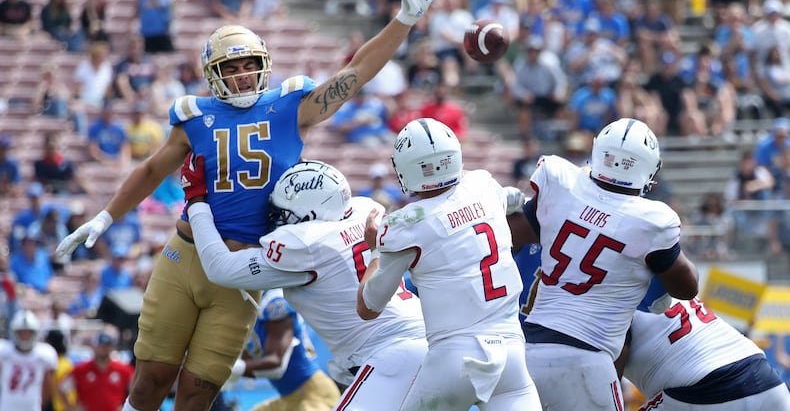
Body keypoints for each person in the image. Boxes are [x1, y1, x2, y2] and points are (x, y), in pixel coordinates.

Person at [56, 0, 448, 409]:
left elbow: (354, 74)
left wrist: (404, 20)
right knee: (152, 379)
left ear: (263, 66)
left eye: (248, 65)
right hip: (185, 255)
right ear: (213, 73)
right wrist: (106, 215)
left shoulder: (290, 105)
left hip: (246, 268)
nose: (242, 76)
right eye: (231, 67)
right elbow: (151, 169)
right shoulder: (194, 116)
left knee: (198, 392)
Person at [181, 158, 428, 409]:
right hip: (424, 337)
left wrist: (196, 202)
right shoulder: (364, 210)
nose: (278, 220)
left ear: (309, 214)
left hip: (392, 354)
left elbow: (219, 268)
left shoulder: (306, 244)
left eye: (283, 214)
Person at [507, 117, 700, 410]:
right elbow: (688, 287)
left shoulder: (563, 184)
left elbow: (514, 235)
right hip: (585, 357)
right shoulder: (651, 221)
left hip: (528, 352)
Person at [357, 118, 541, 409]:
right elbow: (513, 199)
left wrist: (375, 249)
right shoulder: (483, 184)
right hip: (512, 355)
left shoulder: (404, 223)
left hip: (455, 356)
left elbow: (368, 307)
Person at [615, 299, 790, 409]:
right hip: (767, 382)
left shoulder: (610, 302)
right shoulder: (663, 271)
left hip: (701, 392)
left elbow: (609, 381)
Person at [238, 289, 340, 410]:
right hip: (289, 398)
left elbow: (276, 364)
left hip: (313, 395)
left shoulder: (274, 302)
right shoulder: (243, 306)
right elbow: (248, 364)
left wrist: (234, 368)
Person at [59, 330, 135, 411]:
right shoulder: (81, 370)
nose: (104, 349)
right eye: (101, 346)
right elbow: (61, 388)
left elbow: (135, 391)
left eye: (107, 346)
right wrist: (71, 408)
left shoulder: (124, 370)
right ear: (94, 346)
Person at [0, 310, 58, 410]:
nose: (24, 336)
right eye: (21, 332)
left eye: (28, 332)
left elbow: (48, 386)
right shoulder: (4, 351)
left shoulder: (45, 354)